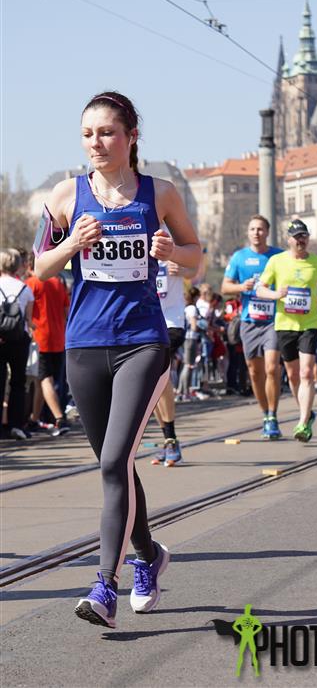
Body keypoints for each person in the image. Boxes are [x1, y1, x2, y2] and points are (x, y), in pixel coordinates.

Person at [34, 91, 200, 628]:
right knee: (117, 464)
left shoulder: (160, 192)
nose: (96, 143)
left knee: (112, 462)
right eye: (87, 134)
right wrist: (71, 244)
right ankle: (149, 554)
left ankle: (104, 586)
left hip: (142, 343)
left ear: (131, 137)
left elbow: (196, 258)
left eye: (106, 132)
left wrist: (172, 254)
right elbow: (40, 267)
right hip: (84, 346)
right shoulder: (66, 194)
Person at [256, 218, 317, 442]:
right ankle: (306, 413)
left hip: (309, 324)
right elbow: (260, 289)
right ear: (289, 240)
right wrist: (276, 294)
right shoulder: (277, 261)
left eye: (304, 236)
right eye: (297, 237)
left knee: (307, 372)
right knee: (293, 375)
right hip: (285, 324)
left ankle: (302, 423)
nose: (301, 240)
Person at [221, 215, 283, 439]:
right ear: (248, 233)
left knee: (271, 368)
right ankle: (265, 413)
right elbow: (225, 287)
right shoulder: (239, 257)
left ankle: (273, 415)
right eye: (252, 229)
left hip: (273, 320)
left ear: (267, 232)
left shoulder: (278, 256)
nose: (256, 233)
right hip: (249, 321)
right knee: (255, 372)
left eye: (260, 229)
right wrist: (241, 286)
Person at [152, 236, 197, 467]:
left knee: (159, 371)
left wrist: (182, 269)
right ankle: (167, 439)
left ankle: (170, 438)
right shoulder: (135, 233)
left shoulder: (173, 235)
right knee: (150, 383)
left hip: (172, 321)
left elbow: (195, 266)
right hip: (146, 320)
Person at [25, 254, 71, 436]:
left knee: (45, 380)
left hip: (40, 339)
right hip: (58, 338)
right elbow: (66, 311)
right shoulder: (57, 283)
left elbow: (26, 312)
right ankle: (34, 419)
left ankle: (59, 418)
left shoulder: (32, 283)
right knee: (41, 380)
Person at [0, 249, 34, 440]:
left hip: (1, 339)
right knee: (18, 383)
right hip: (19, 340)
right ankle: (16, 425)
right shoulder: (25, 289)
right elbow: (28, 319)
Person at [176, 286, 201, 401]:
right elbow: (194, 325)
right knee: (188, 365)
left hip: (185, 338)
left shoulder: (185, 308)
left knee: (185, 365)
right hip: (190, 338)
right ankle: (185, 392)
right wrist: (201, 327)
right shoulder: (192, 308)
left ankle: (181, 391)